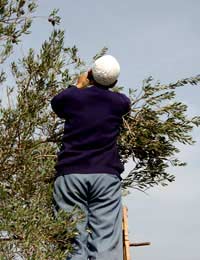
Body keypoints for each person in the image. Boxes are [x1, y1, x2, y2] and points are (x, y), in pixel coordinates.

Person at [51, 55, 131, 260]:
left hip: (71, 175)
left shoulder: (73, 98)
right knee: (105, 241)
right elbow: (122, 103)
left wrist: (78, 85)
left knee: (72, 240)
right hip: (105, 176)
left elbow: (57, 103)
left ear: (90, 74)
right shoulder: (120, 102)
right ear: (114, 82)